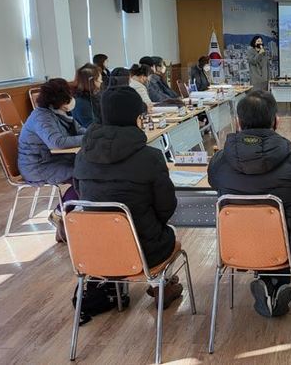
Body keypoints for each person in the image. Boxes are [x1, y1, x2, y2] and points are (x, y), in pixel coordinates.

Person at [208, 90, 291, 317]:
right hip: (289, 247)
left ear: (238, 123)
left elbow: (215, 186)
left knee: (254, 227)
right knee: (282, 233)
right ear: (276, 121)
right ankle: (277, 286)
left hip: (235, 246)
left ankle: (268, 286)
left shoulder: (219, 162)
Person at [73, 87, 183, 308]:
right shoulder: (150, 157)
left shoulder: (81, 157)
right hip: (145, 250)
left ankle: (148, 284)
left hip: (94, 250)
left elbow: (80, 194)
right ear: (138, 117)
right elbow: (166, 206)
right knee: (166, 232)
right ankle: (159, 285)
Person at [17, 78, 85, 241]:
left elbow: (78, 130)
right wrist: (88, 138)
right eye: (69, 95)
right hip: (38, 166)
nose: (72, 98)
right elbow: (57, 142)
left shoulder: (59, 113)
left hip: (53, 160)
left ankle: (66, 216)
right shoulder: (41, 117)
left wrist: (94, 134)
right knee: (83, 176)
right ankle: (59, 214)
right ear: (59, 99)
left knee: (89, 171)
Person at [72, 63, 103, 128]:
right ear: (91, 81)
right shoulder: (81, 103)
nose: (101, 81)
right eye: (99, 79)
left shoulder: (92, 96)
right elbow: (93, 128)